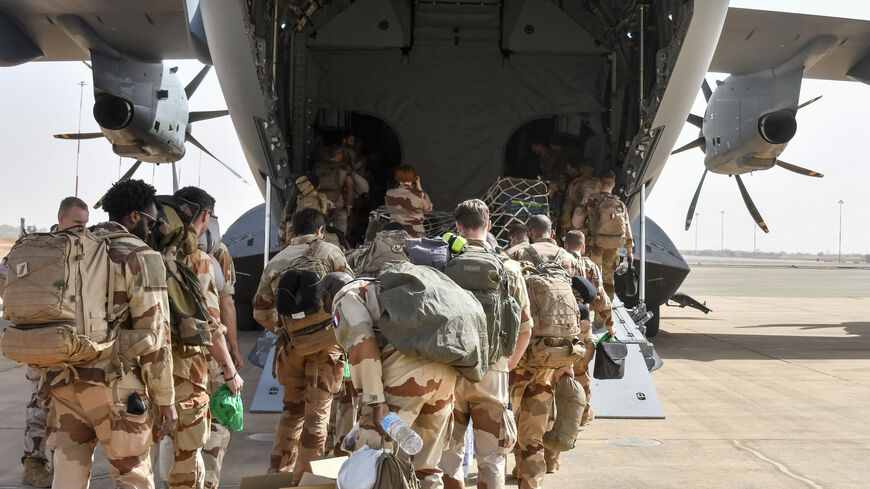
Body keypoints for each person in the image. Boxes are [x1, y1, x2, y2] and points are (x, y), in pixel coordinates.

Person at [43, 180, 177, 489]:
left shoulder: (75, 245)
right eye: (151, 220)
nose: (151, 228)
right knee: (133, 475)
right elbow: (155, 333)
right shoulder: (141, 255)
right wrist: (165, 398)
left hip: (65, 381)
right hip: (115, 386)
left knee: (67, 476)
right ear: (133, 217)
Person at [328, 271, 458, 489]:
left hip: (405, 373)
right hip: (445, 369)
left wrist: (375, 401)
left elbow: (363, 344)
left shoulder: (344, 296)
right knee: (427, 463)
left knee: (380, 463)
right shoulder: (385, 288)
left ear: (325, 295)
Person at [438, 199, 532, 489]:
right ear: (488, 226)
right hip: (493, 371)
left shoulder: (442, 263)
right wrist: (507, 365)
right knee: (492, 457)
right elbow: (526, 328)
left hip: (450, 371)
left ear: (457, 227)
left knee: (449, 455)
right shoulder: (509, 268)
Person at [253, 208, 350, 484]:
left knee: (291, 412)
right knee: (317, 417)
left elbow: (260, 313)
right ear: (321, 230)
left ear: (292, 231)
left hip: (290, 349)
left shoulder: (276, 262)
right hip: (325, 349)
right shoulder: (331, 253)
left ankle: (278, 474)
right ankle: (306, 481)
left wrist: (288, 332)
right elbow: (349, 294)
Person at [0, 196, 90, 488]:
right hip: (47, 340)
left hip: (61, 340)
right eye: (77, 223)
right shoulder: (41, 247)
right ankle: (35, 464)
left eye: (85, 224)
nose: (82, 229)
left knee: (59, 402)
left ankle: (55, 460)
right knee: (42, 400)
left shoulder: (47, 247)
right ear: (61, 218)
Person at [162, 186, 243, 489]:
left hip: (153, 361)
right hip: (195, 360)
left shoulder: (149, 250)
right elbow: (216, 315)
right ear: (205, 216)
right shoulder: (205, 258)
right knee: (210, 424)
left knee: (165, 426)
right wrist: (230, 363)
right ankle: (206, 482)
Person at [506, 215, 581, 489]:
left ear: (530, 231)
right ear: (553, 232)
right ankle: (531, 481)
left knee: (508, 421)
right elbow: (577, 311)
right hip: (552, 356)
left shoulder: (515, 254)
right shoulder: (569, 259)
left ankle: (511, 466)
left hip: (520, 356)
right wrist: (570, 359)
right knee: (534, 430)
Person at [543, 229, 611, 473]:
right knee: (579, 376)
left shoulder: (553, 260)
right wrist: (610, 326)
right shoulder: (590, 267)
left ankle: (541, 456)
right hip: (581, 328)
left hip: (552, 329)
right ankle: (582, 413)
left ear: (564, 243)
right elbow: (601, 297)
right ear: (582, 247)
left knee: (546, 389)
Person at [572, 170, 633, 302]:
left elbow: (576, 222)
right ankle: (604, 313)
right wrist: (629, 250)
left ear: (599, 183)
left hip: (593, 247)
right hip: (612, 248)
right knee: (608, 280)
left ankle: (589, 309)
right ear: (614, 184)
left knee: (591, 277)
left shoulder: (590, 199)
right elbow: (627, 228)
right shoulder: (620, 205)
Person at [312, 146, 354, 235]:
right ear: (339, 154)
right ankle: (340, 246)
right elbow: (350, 188)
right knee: (340, 230)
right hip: (337, 203)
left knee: (322, 229)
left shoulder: (319, 167)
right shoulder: (343, 168)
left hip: (321, 203)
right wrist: (349, 206)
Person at [384, 164, 433, 238]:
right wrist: (420, 189)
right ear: (414, 178)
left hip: (396, 236)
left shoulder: (389, 194)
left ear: (397, 177)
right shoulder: (418, 194)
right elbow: (428, 208)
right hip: (416, 235)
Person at [559, 161, 597, 234]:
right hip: (594, 222)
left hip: (579, 220)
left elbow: (569, 203)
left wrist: (565, 223)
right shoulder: (598, 183)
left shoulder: (576, 183)